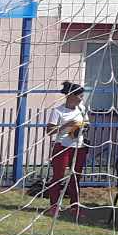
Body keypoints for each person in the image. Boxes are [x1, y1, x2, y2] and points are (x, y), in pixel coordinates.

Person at [43, 80, 90, 219]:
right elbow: (49, 131)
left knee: (75, 178)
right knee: (58, 177)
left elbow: (86, 123)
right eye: (80, 96)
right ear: (71, 96)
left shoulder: (81, 108)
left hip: (79, 147)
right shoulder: (58, 111)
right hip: (62, 146)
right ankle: (54, 206)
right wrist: (67, 126)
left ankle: (75, 207)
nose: (81, 98)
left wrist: (80, 128)